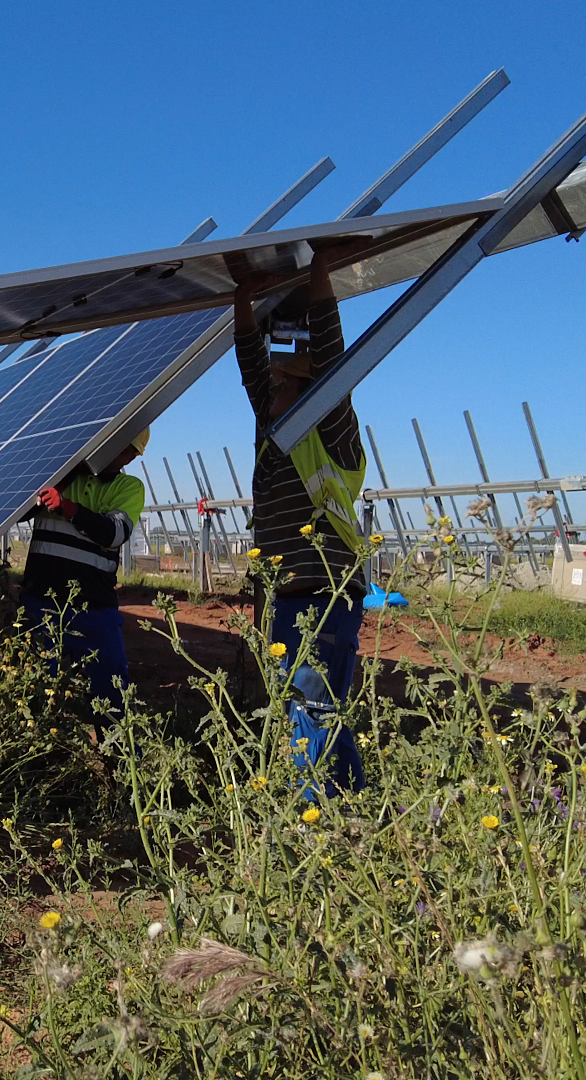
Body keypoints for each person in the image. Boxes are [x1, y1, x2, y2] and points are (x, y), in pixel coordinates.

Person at [232, 252, 367, 796]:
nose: (273, 392)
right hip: (292, 601)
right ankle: (352, 802)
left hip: (323, 599)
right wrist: (242, 299)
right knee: (318, 706)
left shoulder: (330, 427)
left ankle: (318, 820)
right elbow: (249, 367)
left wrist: (321, 267)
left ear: (309, 390)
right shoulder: (273, 431)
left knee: (311, 706)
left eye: (284, 382)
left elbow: (332, 356)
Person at [19, 430, 148, 712]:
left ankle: (119, 751)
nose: (117, 452)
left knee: (111, 688)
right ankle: (41, 750)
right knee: (36, 685)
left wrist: (68, 508)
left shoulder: (129, 488)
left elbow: (114, 533)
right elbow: (16, 512)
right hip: (41, 600)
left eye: (125, 449)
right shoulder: (59, 476)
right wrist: (64, 478)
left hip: (93, 607)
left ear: (132, 456)